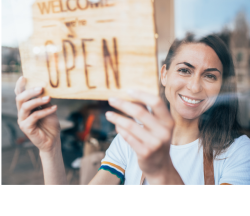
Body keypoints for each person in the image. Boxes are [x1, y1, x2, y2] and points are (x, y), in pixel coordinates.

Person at [15, 34, 250, 185]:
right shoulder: (130, 140)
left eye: (210, 76)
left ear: (221, 86)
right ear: (164, 74)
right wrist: (50, 148)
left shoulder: (239, 153)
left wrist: (162, 171)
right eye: (184, 70)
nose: (195, 86)